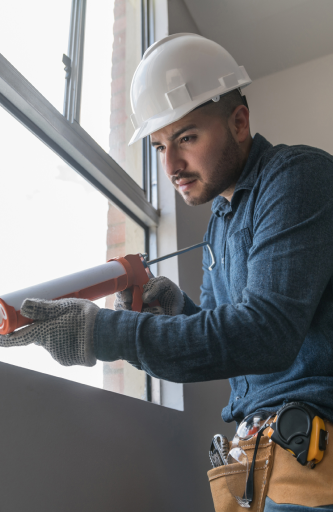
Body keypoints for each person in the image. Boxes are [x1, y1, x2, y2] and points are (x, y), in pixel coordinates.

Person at [1, 34, 333, 511]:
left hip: (312, 450)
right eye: (159, 147)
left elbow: (266, 334)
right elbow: (229, 338)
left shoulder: (296, 178)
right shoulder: (222, 222)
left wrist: (102, 333)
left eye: (187, 137)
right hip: (258, 457)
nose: (172, 166)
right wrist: (177, 310)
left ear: (239, 122)